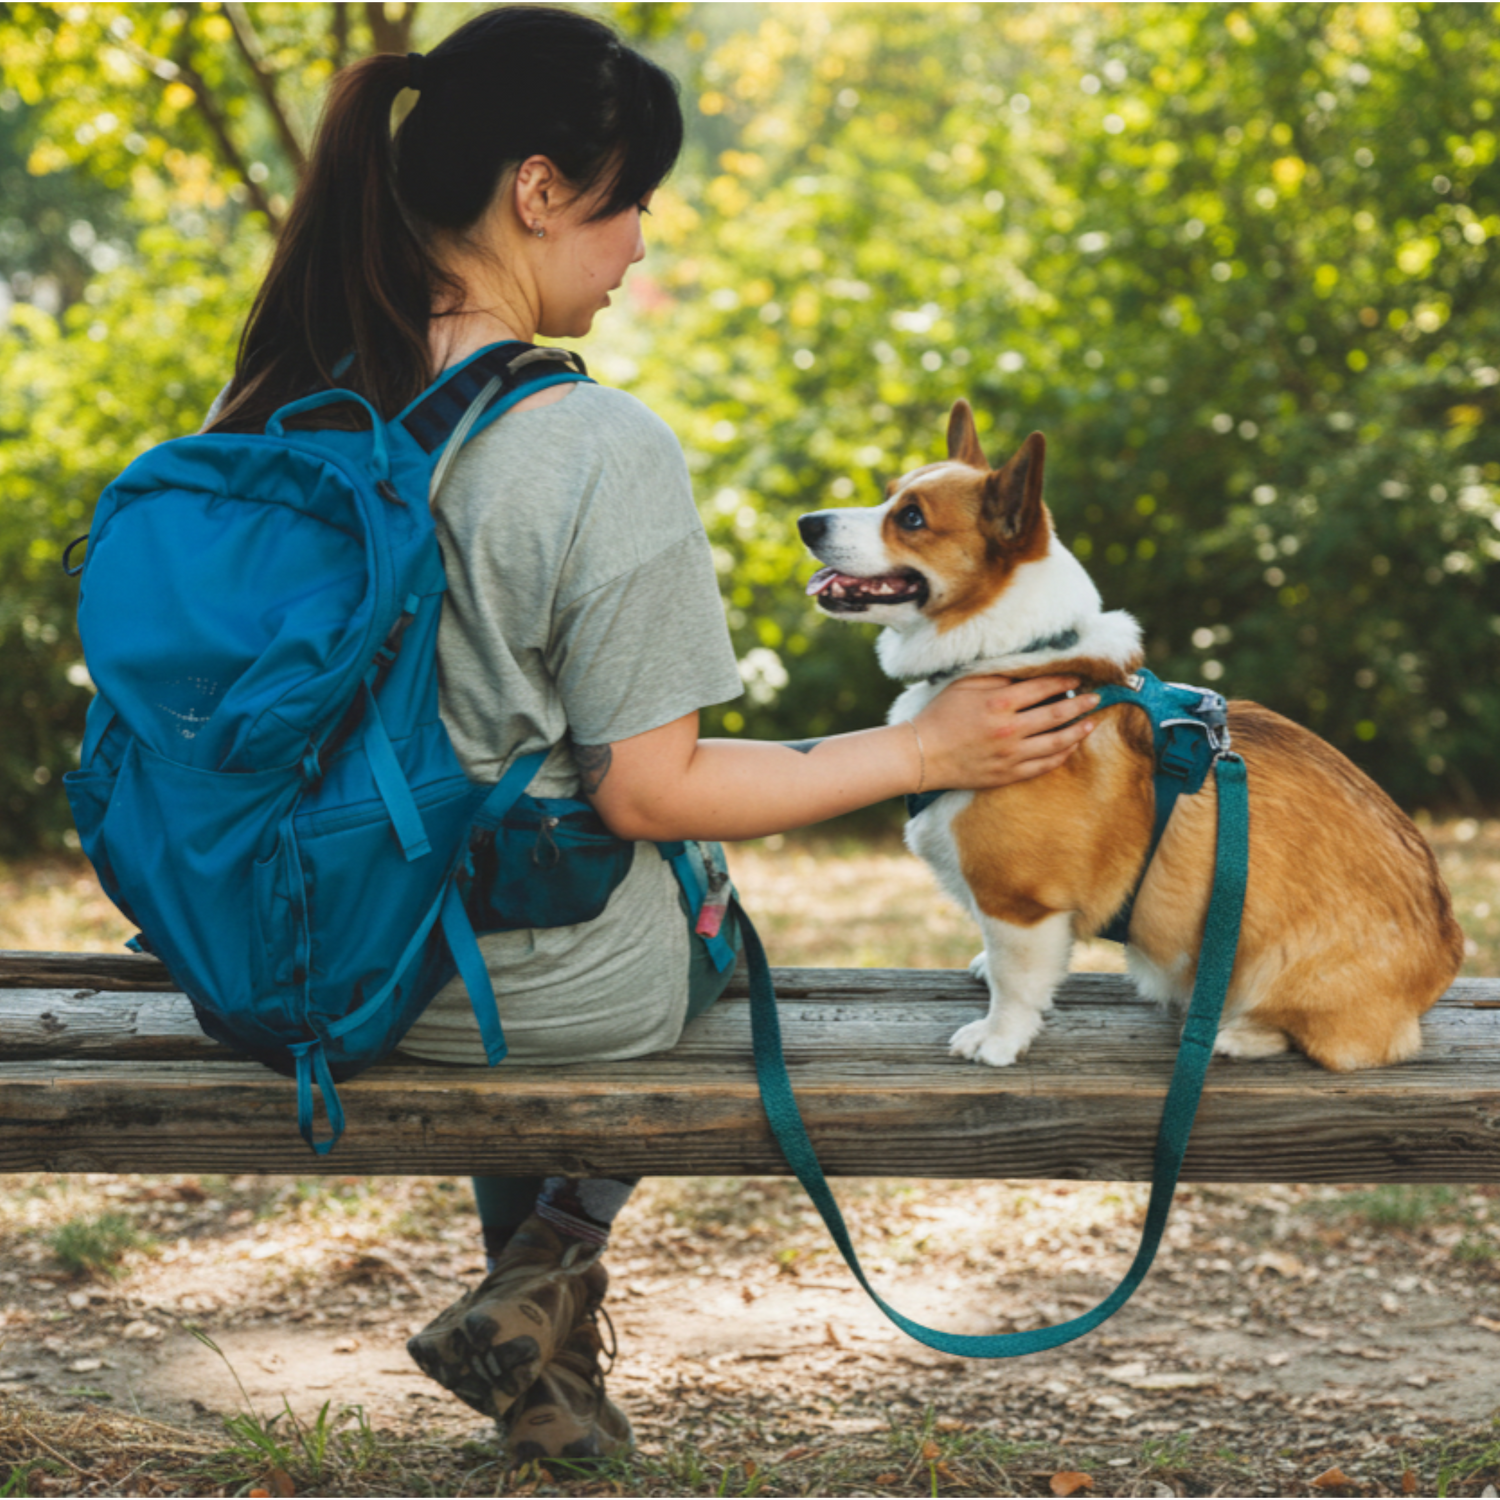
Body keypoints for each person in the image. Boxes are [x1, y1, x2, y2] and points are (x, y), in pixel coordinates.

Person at [207, 4, 1098, 1466]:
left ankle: (539, 1345)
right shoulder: (591, 444)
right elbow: (652, 790)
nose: (638, 250)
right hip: (465, 987)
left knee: (532, 890)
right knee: (685, 908)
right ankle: (548, 1262)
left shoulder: (278, 390)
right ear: (540, 190)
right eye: (628, 207)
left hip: (271, 938)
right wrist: (929, 750)